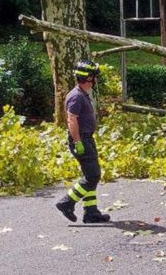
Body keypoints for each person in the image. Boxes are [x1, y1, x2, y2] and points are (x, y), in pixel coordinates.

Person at [55, 60, 111, 223]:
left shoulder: (82, 94)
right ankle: (67, 202)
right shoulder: (76, 97)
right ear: (88, 78)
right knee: (92, 175)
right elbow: (71, 120)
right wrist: (78, 141)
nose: (95, 81)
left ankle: (91, 212)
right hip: (81, 140)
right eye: (93, 77)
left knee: (91, 175)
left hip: (87, 138)